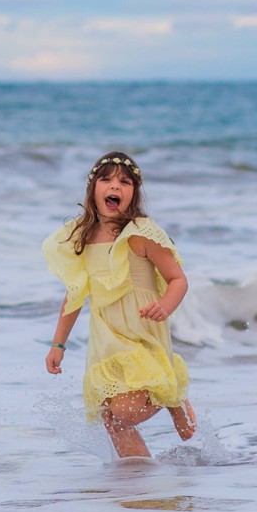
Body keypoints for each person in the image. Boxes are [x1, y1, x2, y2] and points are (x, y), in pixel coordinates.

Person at [42, 152, 197, 458]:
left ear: (134, 194)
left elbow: (178, 279)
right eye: (106, 180)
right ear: (93, 190)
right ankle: (136, 472)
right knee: (110, 415)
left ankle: (174, 397)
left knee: (125, 411)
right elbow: (74, 295)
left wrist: (165, 306)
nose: (115, 186)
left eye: (124, 182)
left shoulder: (140, 233)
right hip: (107, 337)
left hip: (141, 330)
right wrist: (58, 344)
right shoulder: (82, 237)